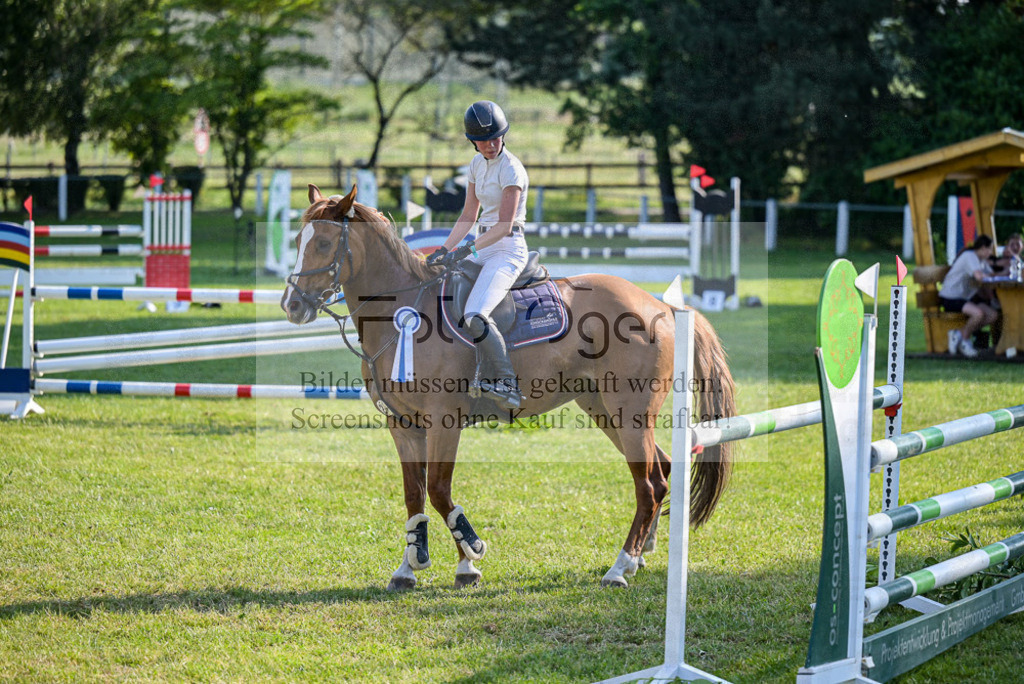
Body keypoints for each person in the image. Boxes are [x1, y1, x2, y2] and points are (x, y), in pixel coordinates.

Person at [426, 101, 529, 410]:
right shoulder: (475, 165)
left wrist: (467, 249)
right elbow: (468, 214)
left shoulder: (511, 169)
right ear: (472, 141)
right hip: (483, 246)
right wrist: (444, 249)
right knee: (444, 289)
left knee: (475, 313)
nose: (490, 144)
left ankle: (507, 383)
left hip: (506, 249)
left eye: (496, 137)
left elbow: (503, 226)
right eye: (483, 140)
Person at [939, 235, 998, 358]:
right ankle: (965, 340)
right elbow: (979, 276)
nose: (990, 252)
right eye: (989, 249)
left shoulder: (981, 260)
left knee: (993, 315)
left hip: (965, 299)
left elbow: (991, 274)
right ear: (982, 248)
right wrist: (990, 276)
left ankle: (959, 334)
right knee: (978, 314)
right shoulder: (970, 256)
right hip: (951, 298)